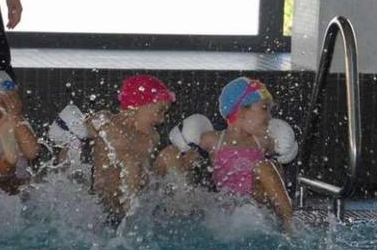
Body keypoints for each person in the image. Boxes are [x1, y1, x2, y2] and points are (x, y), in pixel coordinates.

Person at [154, 77, 295, 232]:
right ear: (240, 111)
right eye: (264, 108)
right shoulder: (213, 139)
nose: (269, 116)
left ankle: (289, 222)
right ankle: (152, 202)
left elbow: (277, 178)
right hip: (225, 206)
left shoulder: (265, 141)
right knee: (170, 155)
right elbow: (185, 165)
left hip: (258, 205)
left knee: (265, 166)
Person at [80, 75, 177, 225]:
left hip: (136, 205)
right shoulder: (107, 122)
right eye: (159, 111)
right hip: (103, 207)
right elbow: (85, 126)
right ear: (136, 107)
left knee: (169, 156)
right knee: (129, 161)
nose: (162, 120)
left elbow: (143, 172)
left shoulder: (151, 137)